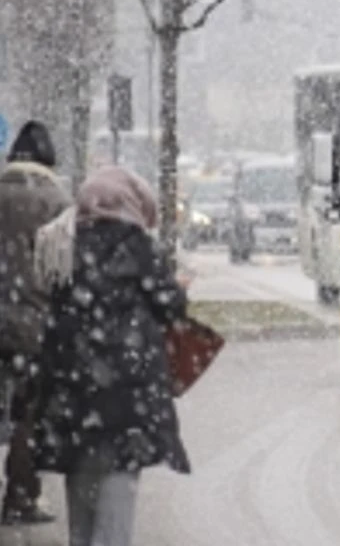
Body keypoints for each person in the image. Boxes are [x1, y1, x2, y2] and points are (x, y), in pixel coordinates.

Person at [33, 165, 190, 546]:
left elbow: (51, 309)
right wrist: (179, 287)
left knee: (82, 506)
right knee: (117, 501)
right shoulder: (135, 244)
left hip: (72, 394)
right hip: (126, 397)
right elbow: (170, 306)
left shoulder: (64, 243)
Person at [0, 120, 72, 524]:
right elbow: (63, 271)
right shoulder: (56, 202)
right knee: (30, 413)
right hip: (34, 325)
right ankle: (20, 496)